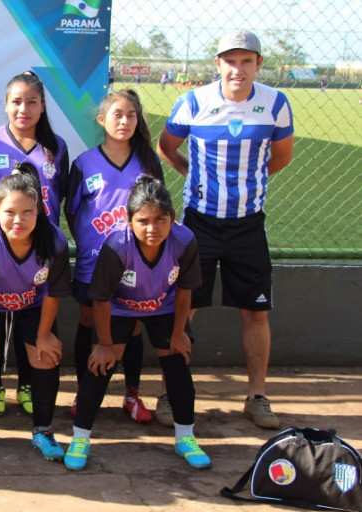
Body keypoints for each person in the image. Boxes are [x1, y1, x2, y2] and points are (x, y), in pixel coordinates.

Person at [157, 29, 294, 429]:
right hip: (199, 223)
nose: (238, 69)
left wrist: (248, 184)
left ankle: (256, 397)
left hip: (249, 226)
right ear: (217, 64)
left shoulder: (275, 104)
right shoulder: (194, 101)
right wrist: (189, 171)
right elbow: (167, 145)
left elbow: (281, 157)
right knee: (184, 309)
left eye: (246, 61)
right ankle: (171, 393)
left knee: (255, 311)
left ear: (258, 65)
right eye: (230, 61)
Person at [64, 176, 210, 471]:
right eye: (143, 220)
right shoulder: (117, 245)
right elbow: (101, 298)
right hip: (119, 307)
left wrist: (180, 332)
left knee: (177, 362)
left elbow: (184, 291)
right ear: (129, 220)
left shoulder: (184, 241)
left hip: (163, 307)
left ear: (172, 218)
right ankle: (80, 438)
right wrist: (104, 345)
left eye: (161, 220)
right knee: (100, 366)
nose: (152, 228)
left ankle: (185, 437)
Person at [0, 70, 69, 417]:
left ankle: (28, 382)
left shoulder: (56, 146)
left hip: (39, 250)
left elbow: (61, 195)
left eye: (32, 102)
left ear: (42, 107)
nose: (23, 108)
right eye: (16, 101)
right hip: (0, 245)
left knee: (35, 318)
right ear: (5, 105)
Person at [0, 163, 72, 461]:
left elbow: (52, 292)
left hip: (32, 305)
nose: (18, 220)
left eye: (27, 212)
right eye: (9, 212)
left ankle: (43, 431)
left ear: (39, 211)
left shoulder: (54, 241)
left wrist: (45, 334)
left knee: (45, 357)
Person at [65, 89, 163, 425]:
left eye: (131, 115)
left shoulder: (148, 161)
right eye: (117, 114)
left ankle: (131, 394)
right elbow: (73, 210)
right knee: (89, 321)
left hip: (136, 264)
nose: (124, 121)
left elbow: (159, 210)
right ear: (101, 119)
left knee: (132, 327)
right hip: (95, 264)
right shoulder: (84, 163)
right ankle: (84, 390)